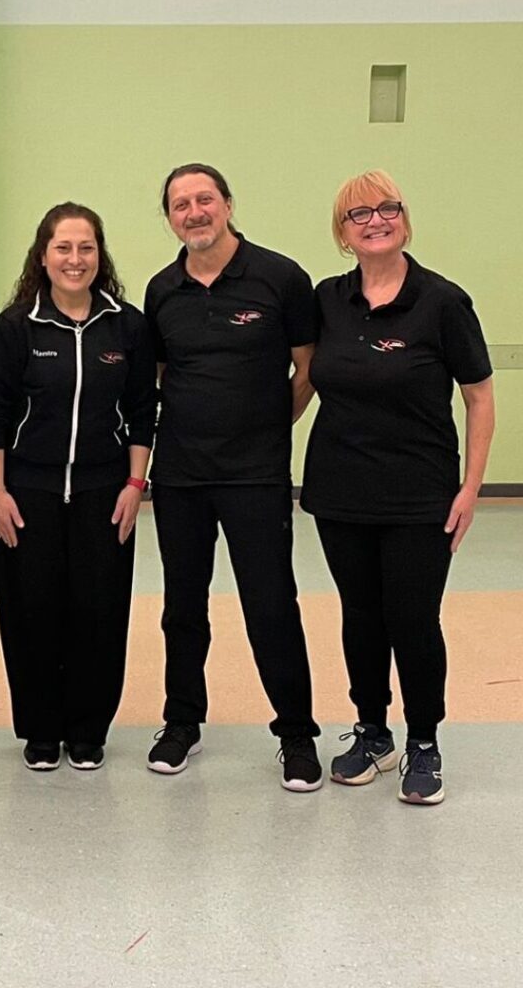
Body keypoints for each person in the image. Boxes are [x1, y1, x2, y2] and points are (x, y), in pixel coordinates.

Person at [301, 170, 494, 805]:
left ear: (405, 220)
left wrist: (470, 488)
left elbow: (479, 397)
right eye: (360, 214)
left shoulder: (442, 302)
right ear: (342, 232)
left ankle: (424, 742)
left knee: (412, 618)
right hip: (338, 491)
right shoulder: (327, 300)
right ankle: (373, 731)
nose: (376, 220)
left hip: (420, 495)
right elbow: (302, 381)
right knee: (360, 617)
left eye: (388, 208)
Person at [143, 163, 322, 791]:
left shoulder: (280, 277)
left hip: (256, 475)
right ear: (169, 217)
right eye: (180, 204)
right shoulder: (162, 290)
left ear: (227, 204)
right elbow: (163, 374)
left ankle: (297, 734)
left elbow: (309, 367)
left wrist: (274, 426)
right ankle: (181, 722)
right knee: (182, 606)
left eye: (204, 199)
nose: (194, 212)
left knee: (271, 603)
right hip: (181, 476)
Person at [0, 203, 156, 771]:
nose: (74, 259)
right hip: (26, 493)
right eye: (63, 248)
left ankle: (88, 728)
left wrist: (135, 483)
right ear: (43, 255)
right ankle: (40, 729)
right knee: (32, 611)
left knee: (99, 611)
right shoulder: (15, 328)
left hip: (107, 491)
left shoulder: (126, 325)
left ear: (99, 256)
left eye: (85, 248)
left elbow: (142, 410)